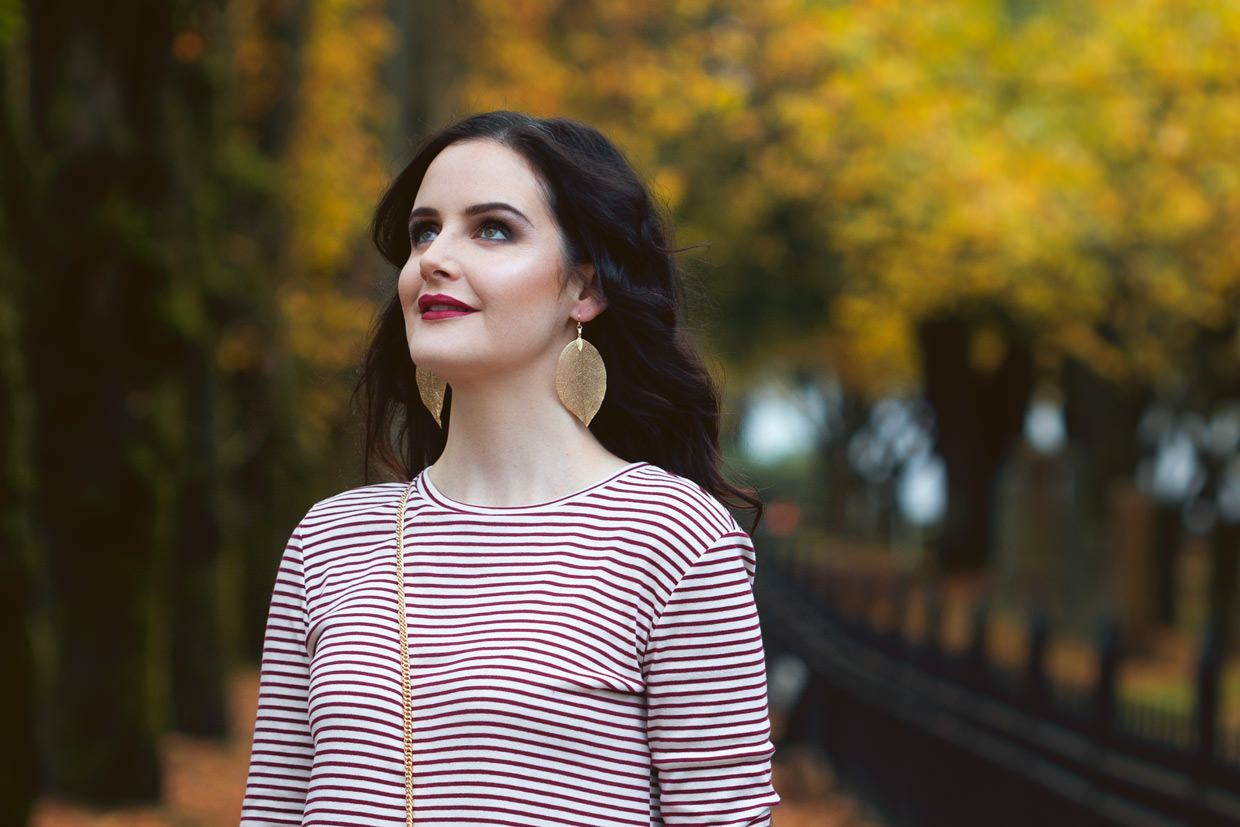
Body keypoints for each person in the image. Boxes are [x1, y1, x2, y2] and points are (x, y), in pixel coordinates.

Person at [241, 110, 780, 826]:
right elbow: (272, 810)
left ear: (583, 291)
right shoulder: (329, 541)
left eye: (492, 228)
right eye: (423, 231)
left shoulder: (674, 539)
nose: (434, 257)